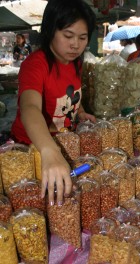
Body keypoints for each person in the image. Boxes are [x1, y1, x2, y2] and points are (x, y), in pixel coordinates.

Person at [11, 0, 96, 206]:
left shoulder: (75, 61)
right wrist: (49, 151)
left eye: (82, 38)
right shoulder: (35, 65)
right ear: (50, 31)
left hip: (61, 144)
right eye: (68, 36)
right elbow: (29, 107)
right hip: (32, 148)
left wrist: (80, 111)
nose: (75, 44)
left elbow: (71, 93)